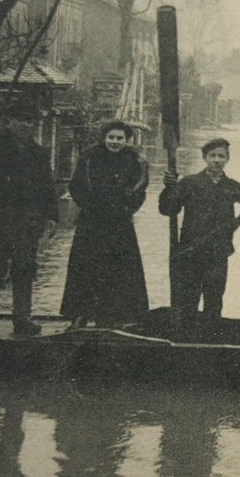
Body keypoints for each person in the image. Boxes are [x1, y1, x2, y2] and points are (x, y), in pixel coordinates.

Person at [159, 138, 240, 340]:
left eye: (221, 156)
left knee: (214, 298)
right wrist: (168, 188)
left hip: (218, 252)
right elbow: (167, 209)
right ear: (204, 158)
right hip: (190, 252)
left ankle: (210, 341)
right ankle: (186, 342)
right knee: (188, 299)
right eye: (212, 156)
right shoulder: (190, 183)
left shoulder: (230, 186)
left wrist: (236, 223)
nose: (216, 160)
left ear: (227, 160)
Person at [0, 104, 58, 337]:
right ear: (8, 121)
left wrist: (51, 216)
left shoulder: (38, 153)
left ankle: (22, 318)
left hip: (26, 222)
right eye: (19, 119)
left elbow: (47, 187)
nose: (24, 125)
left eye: (29, 121)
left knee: (25, 268)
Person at [61, 121, 150, 328]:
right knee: (85, 269)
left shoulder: (135, 160)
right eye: (111, 137)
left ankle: (112, 318)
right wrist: (91, 206)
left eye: (119, 138)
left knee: (118, 270)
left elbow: (139, 189)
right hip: (92, 222)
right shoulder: (90, 157)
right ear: (104, 138)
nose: (115, 142)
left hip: (120, 224)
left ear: (126, 140)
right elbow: (77, 185)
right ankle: (80, 315)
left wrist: (125, 210)